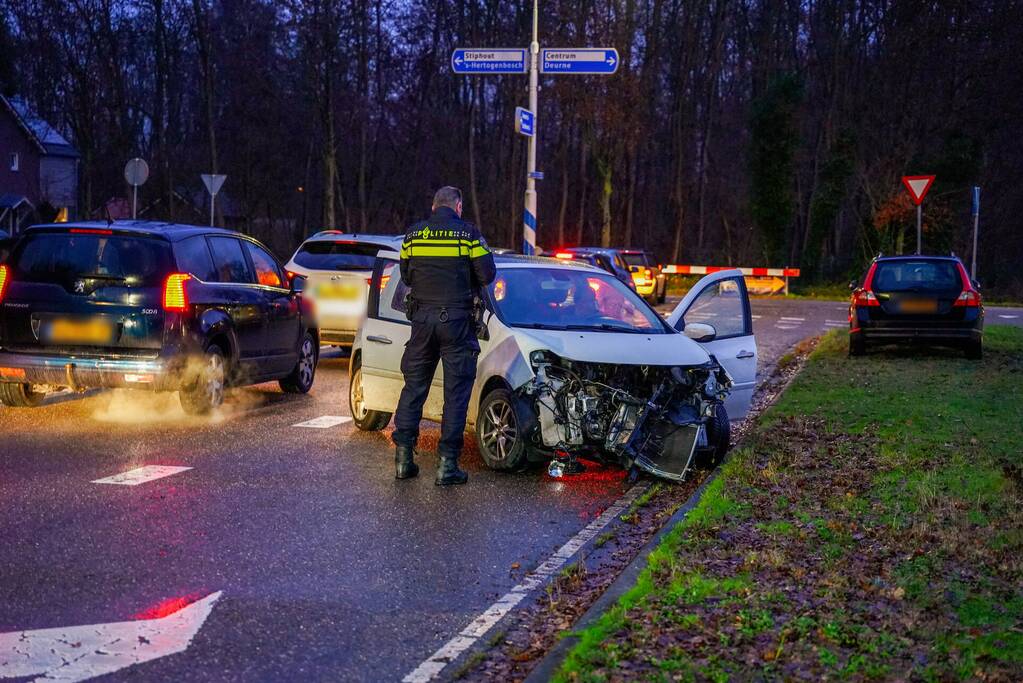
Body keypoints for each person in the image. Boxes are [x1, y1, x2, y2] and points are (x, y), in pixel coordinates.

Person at [392, 186, 497, 485]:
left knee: (413, 388)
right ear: (458, 206)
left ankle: (403, 460)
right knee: (456, 393)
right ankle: (447, 466)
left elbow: (407, 275)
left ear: (434, 204)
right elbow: (487, 275)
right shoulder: (468, 234)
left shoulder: (414, 235)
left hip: (422, 321)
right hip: (457, 322)